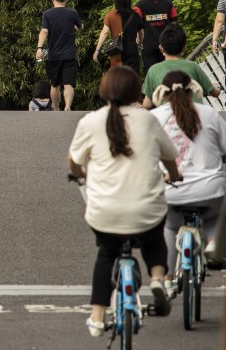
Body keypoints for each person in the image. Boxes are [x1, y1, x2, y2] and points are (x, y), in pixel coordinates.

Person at [68, 66, 181, 337]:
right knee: (153, 239)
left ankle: (97, 317)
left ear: (103, 91)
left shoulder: (90, 121)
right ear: (135, 92)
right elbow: (170, 158)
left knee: (107, 253)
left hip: (105, 214)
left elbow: (74, 161)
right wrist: (173, 176)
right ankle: (157, 279)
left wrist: (81, 174)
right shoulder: (149, 120)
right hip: (146, 211)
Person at [150, 70, 226, 284]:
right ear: (192, 90)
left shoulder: (155, 117)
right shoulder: (209, 114)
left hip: (171, 191)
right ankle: (212, 243)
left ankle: (166, 276)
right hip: (210, 189)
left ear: (162, 94)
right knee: (214, 216)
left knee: (169, 225)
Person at [141, 25, 220, 108]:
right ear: (184, 48)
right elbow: (215, 93)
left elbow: (147, 104)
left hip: (168, 117)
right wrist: (217, 87)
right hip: (195, 115)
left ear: (161, 48)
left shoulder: (153, 70)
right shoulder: (193, 66)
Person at [35, 0, 83, 111]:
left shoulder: (47, 14)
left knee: (54, 84)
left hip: (53, 55)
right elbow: (81, 26)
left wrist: (39, 48)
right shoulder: (73, 13)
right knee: (68, 84)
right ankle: (67, 106)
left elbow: (44, 31)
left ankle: (56, 109)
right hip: (70, 54)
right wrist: (76, 26)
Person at [135, 0, 178, 74]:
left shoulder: (139, 6)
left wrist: (138, 40)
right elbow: (175, 25)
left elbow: (136, 25)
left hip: (148, 46)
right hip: (167, 46)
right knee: (168, 75)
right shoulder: (168, 4)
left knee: (151, 74)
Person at [93, 0, 142, 73]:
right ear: (128, 0)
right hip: (132, 51)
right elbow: (141, 33)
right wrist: (140, 42)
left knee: (119, 78)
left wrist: (97, 50)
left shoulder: (110, 15)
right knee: (132, 77)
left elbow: (104, 32)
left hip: (117, 51)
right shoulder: (135, 16)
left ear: (116, 1)